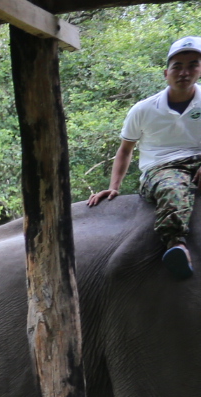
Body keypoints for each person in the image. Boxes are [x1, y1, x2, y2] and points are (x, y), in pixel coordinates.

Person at [90, 36, 201, 279]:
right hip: (162, 166)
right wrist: (113, 187)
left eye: (193, 65)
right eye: (177, 67)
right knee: (172, 190)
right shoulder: (143, 109)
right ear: (166, 73)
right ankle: (176, 244)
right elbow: (125, 149)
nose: (185, 72)